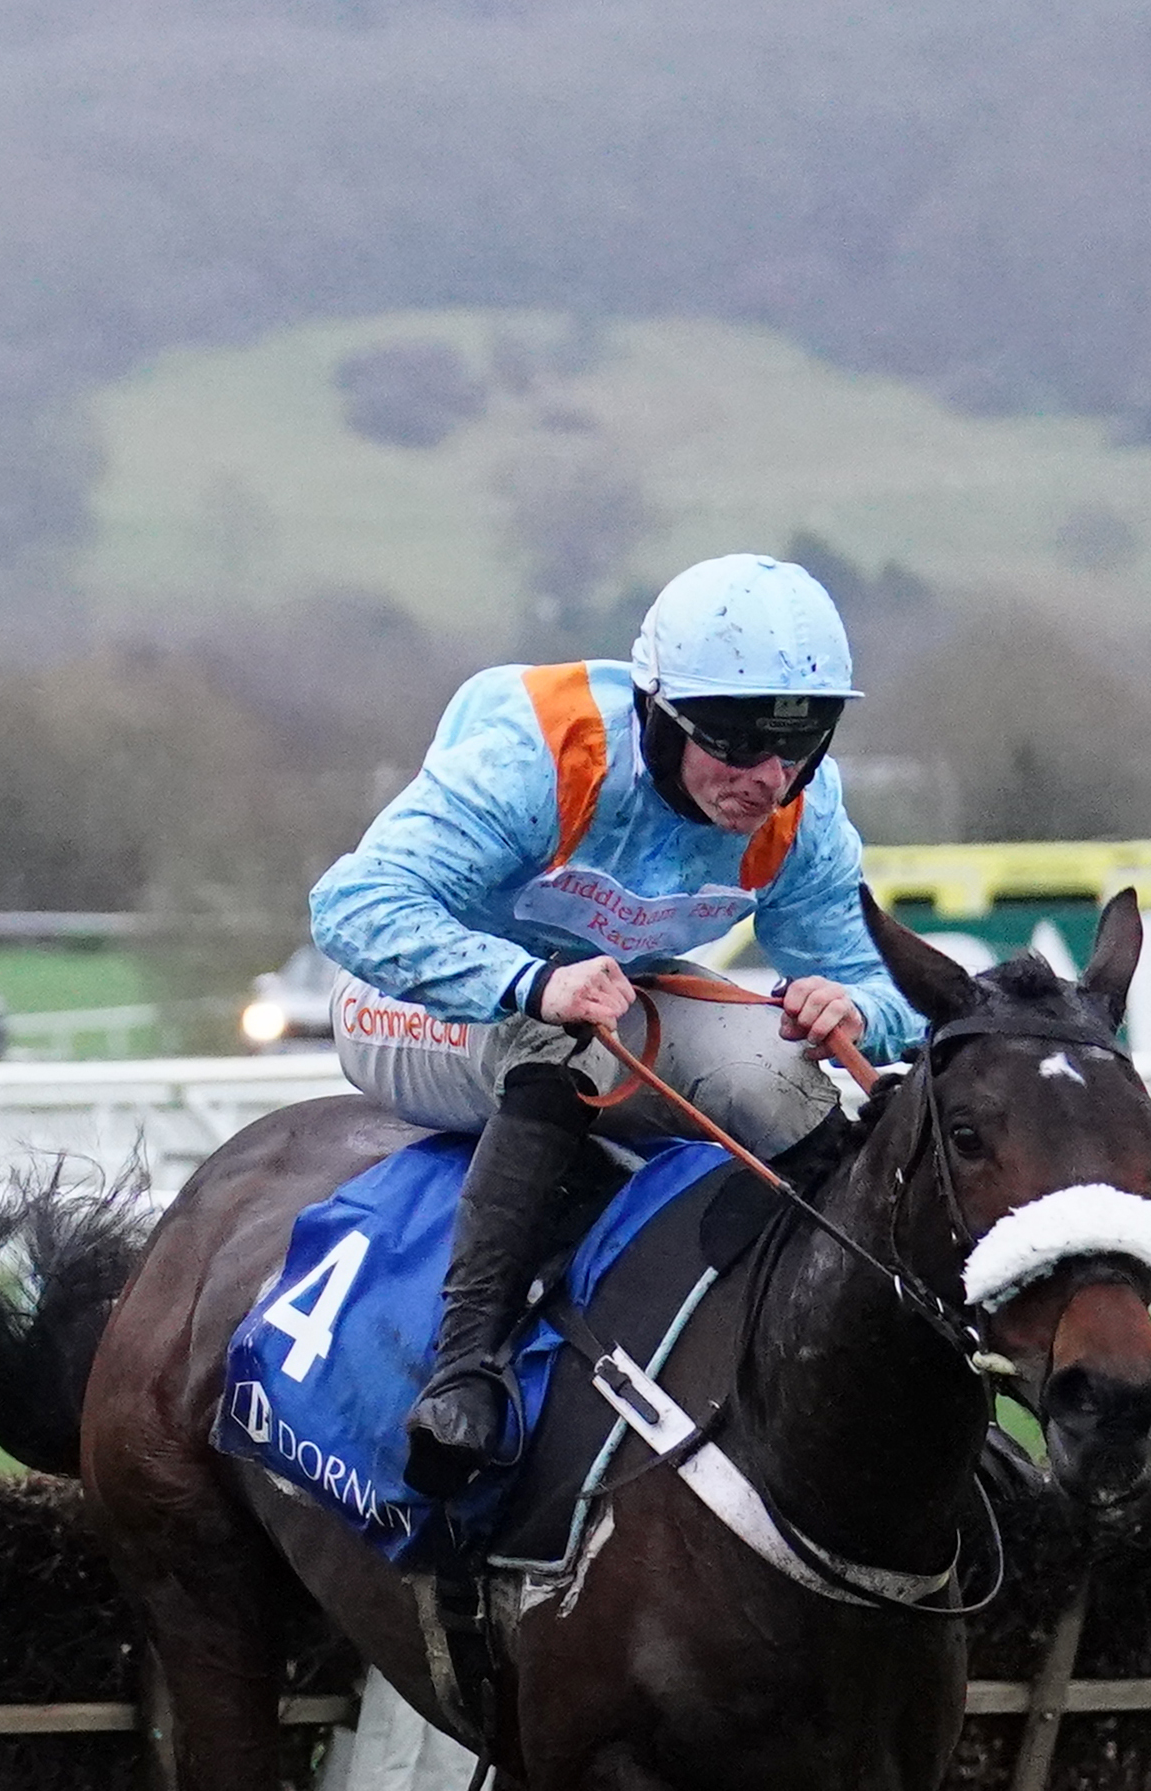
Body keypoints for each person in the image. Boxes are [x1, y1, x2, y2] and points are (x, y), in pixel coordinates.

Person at [308, 550, 919, 1494]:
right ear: (657, 711)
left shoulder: (802, 809)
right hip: (417, 1000)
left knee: (782, 1074)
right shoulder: (542, 755)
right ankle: (466, 1368)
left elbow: (875, 985)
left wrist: (857, 1006)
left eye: (798, 743)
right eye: (735, 740)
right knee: (567, 1042)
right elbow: (350, 907)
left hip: (612, 1000)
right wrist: (524, 983)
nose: (766, 778)